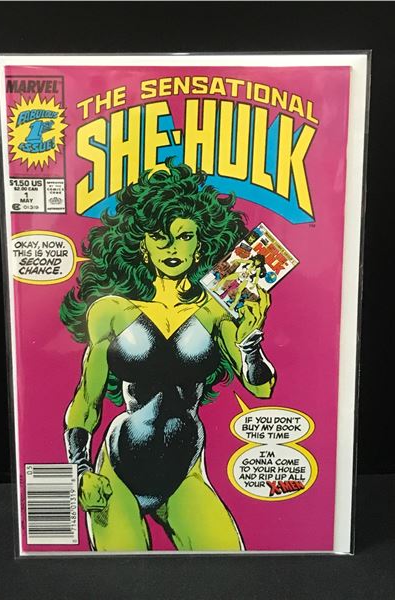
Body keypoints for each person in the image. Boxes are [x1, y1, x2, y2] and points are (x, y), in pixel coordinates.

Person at [60, 159, 276, 551]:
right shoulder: (110, 310)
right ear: (143, 245)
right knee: (122, 577)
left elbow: (260, 388)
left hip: (184, 473)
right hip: (118, 474)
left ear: (200, 245)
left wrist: (250, 344)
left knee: (230, 565)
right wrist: (80, 470)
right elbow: (86, 402)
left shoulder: (214, 311)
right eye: (159, 237)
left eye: (184, 236)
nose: (172, 248)